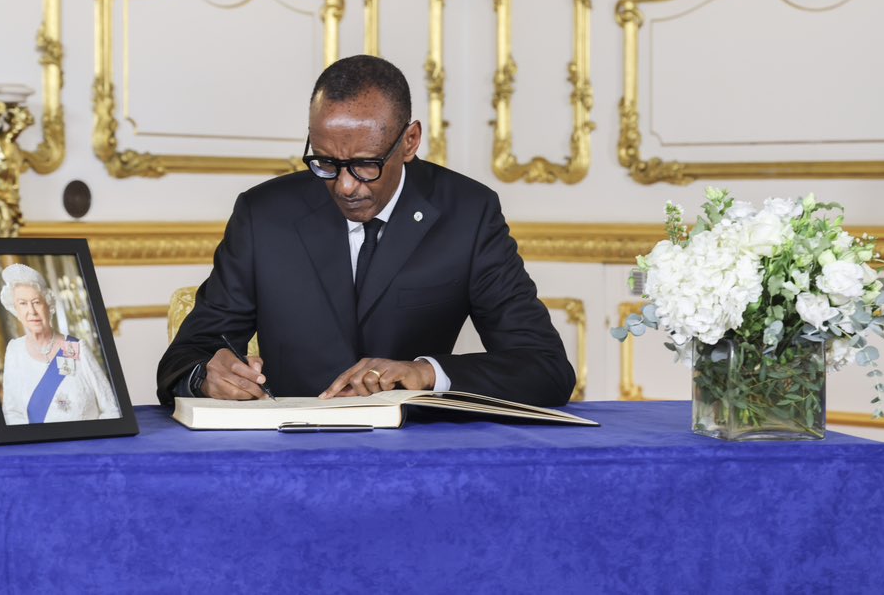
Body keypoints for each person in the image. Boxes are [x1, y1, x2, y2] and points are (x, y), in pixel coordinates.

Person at [158, 55, 575, 406]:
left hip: (416, 453)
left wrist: (426, 373)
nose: (344, 185)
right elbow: (186, 356)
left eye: (366, 165)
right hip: (288, 450)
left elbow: (545, 367)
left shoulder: (468, 214)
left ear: (410, 141)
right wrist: (204, 375)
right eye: (324, 162)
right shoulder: (263, 214)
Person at [0, 263, 120, 424]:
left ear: (49, 306)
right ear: (15, 310)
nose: (32, 311)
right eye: (23, 303)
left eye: (36, 302)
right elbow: (11, 412)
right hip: (40, 447)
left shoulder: (76, 348)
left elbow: (111, 408)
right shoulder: (15, 351)